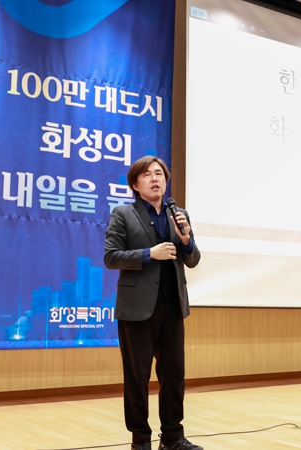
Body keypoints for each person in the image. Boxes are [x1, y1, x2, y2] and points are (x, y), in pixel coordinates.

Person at [104, 156, 203, 450]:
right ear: (136, 184)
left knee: (174, 376)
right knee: (137, 378)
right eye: (147, 174)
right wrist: (150, 254)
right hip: (137, 309)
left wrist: (186, 240)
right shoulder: (123, 214)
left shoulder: (178, 214)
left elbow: (193, 260)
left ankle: (172, 438)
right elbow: (111, 257)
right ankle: (141, 440)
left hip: (172, 307)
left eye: (159, 173)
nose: (155, 178)